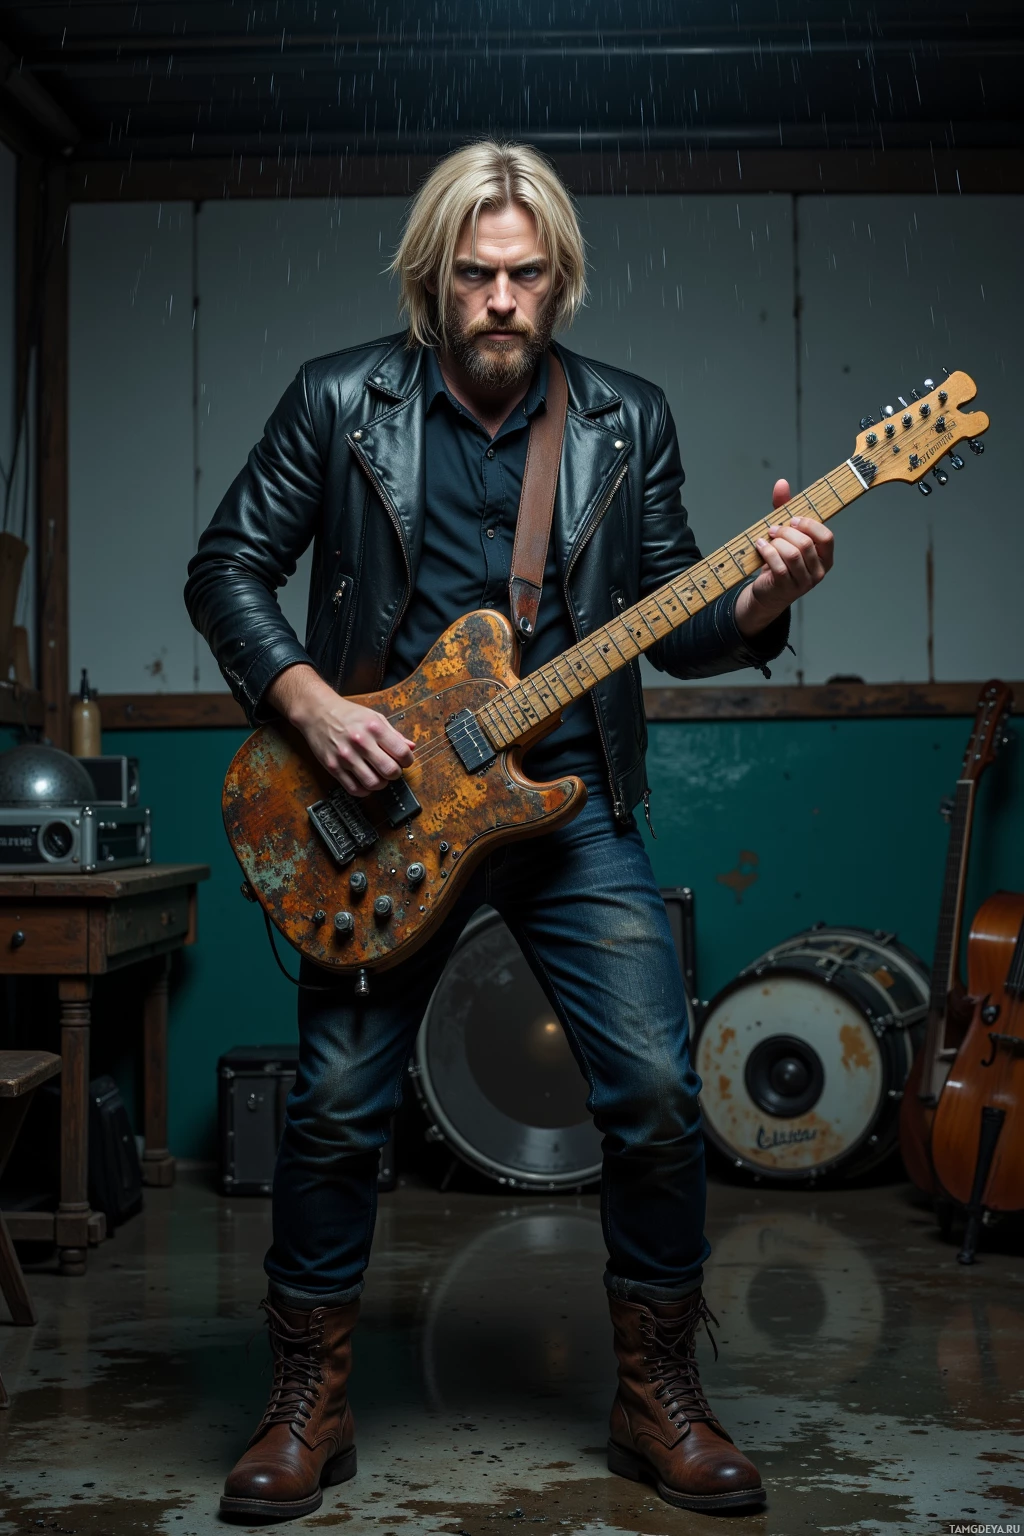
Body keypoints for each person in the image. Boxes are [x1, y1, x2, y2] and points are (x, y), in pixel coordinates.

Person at [186, 140, 834, 1523]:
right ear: (434, 278)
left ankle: (656, 1394)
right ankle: (311, 1403)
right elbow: (227, 565)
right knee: (336, 1111)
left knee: (658, 1097)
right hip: (369, 809)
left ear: (561, 281)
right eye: (474, 275)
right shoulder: (339, 402)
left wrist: (768, 597)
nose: (499, 300)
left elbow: (687, 615)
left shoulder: (623, 422)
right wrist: (310, 706)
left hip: (565, 801)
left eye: (525, 276)